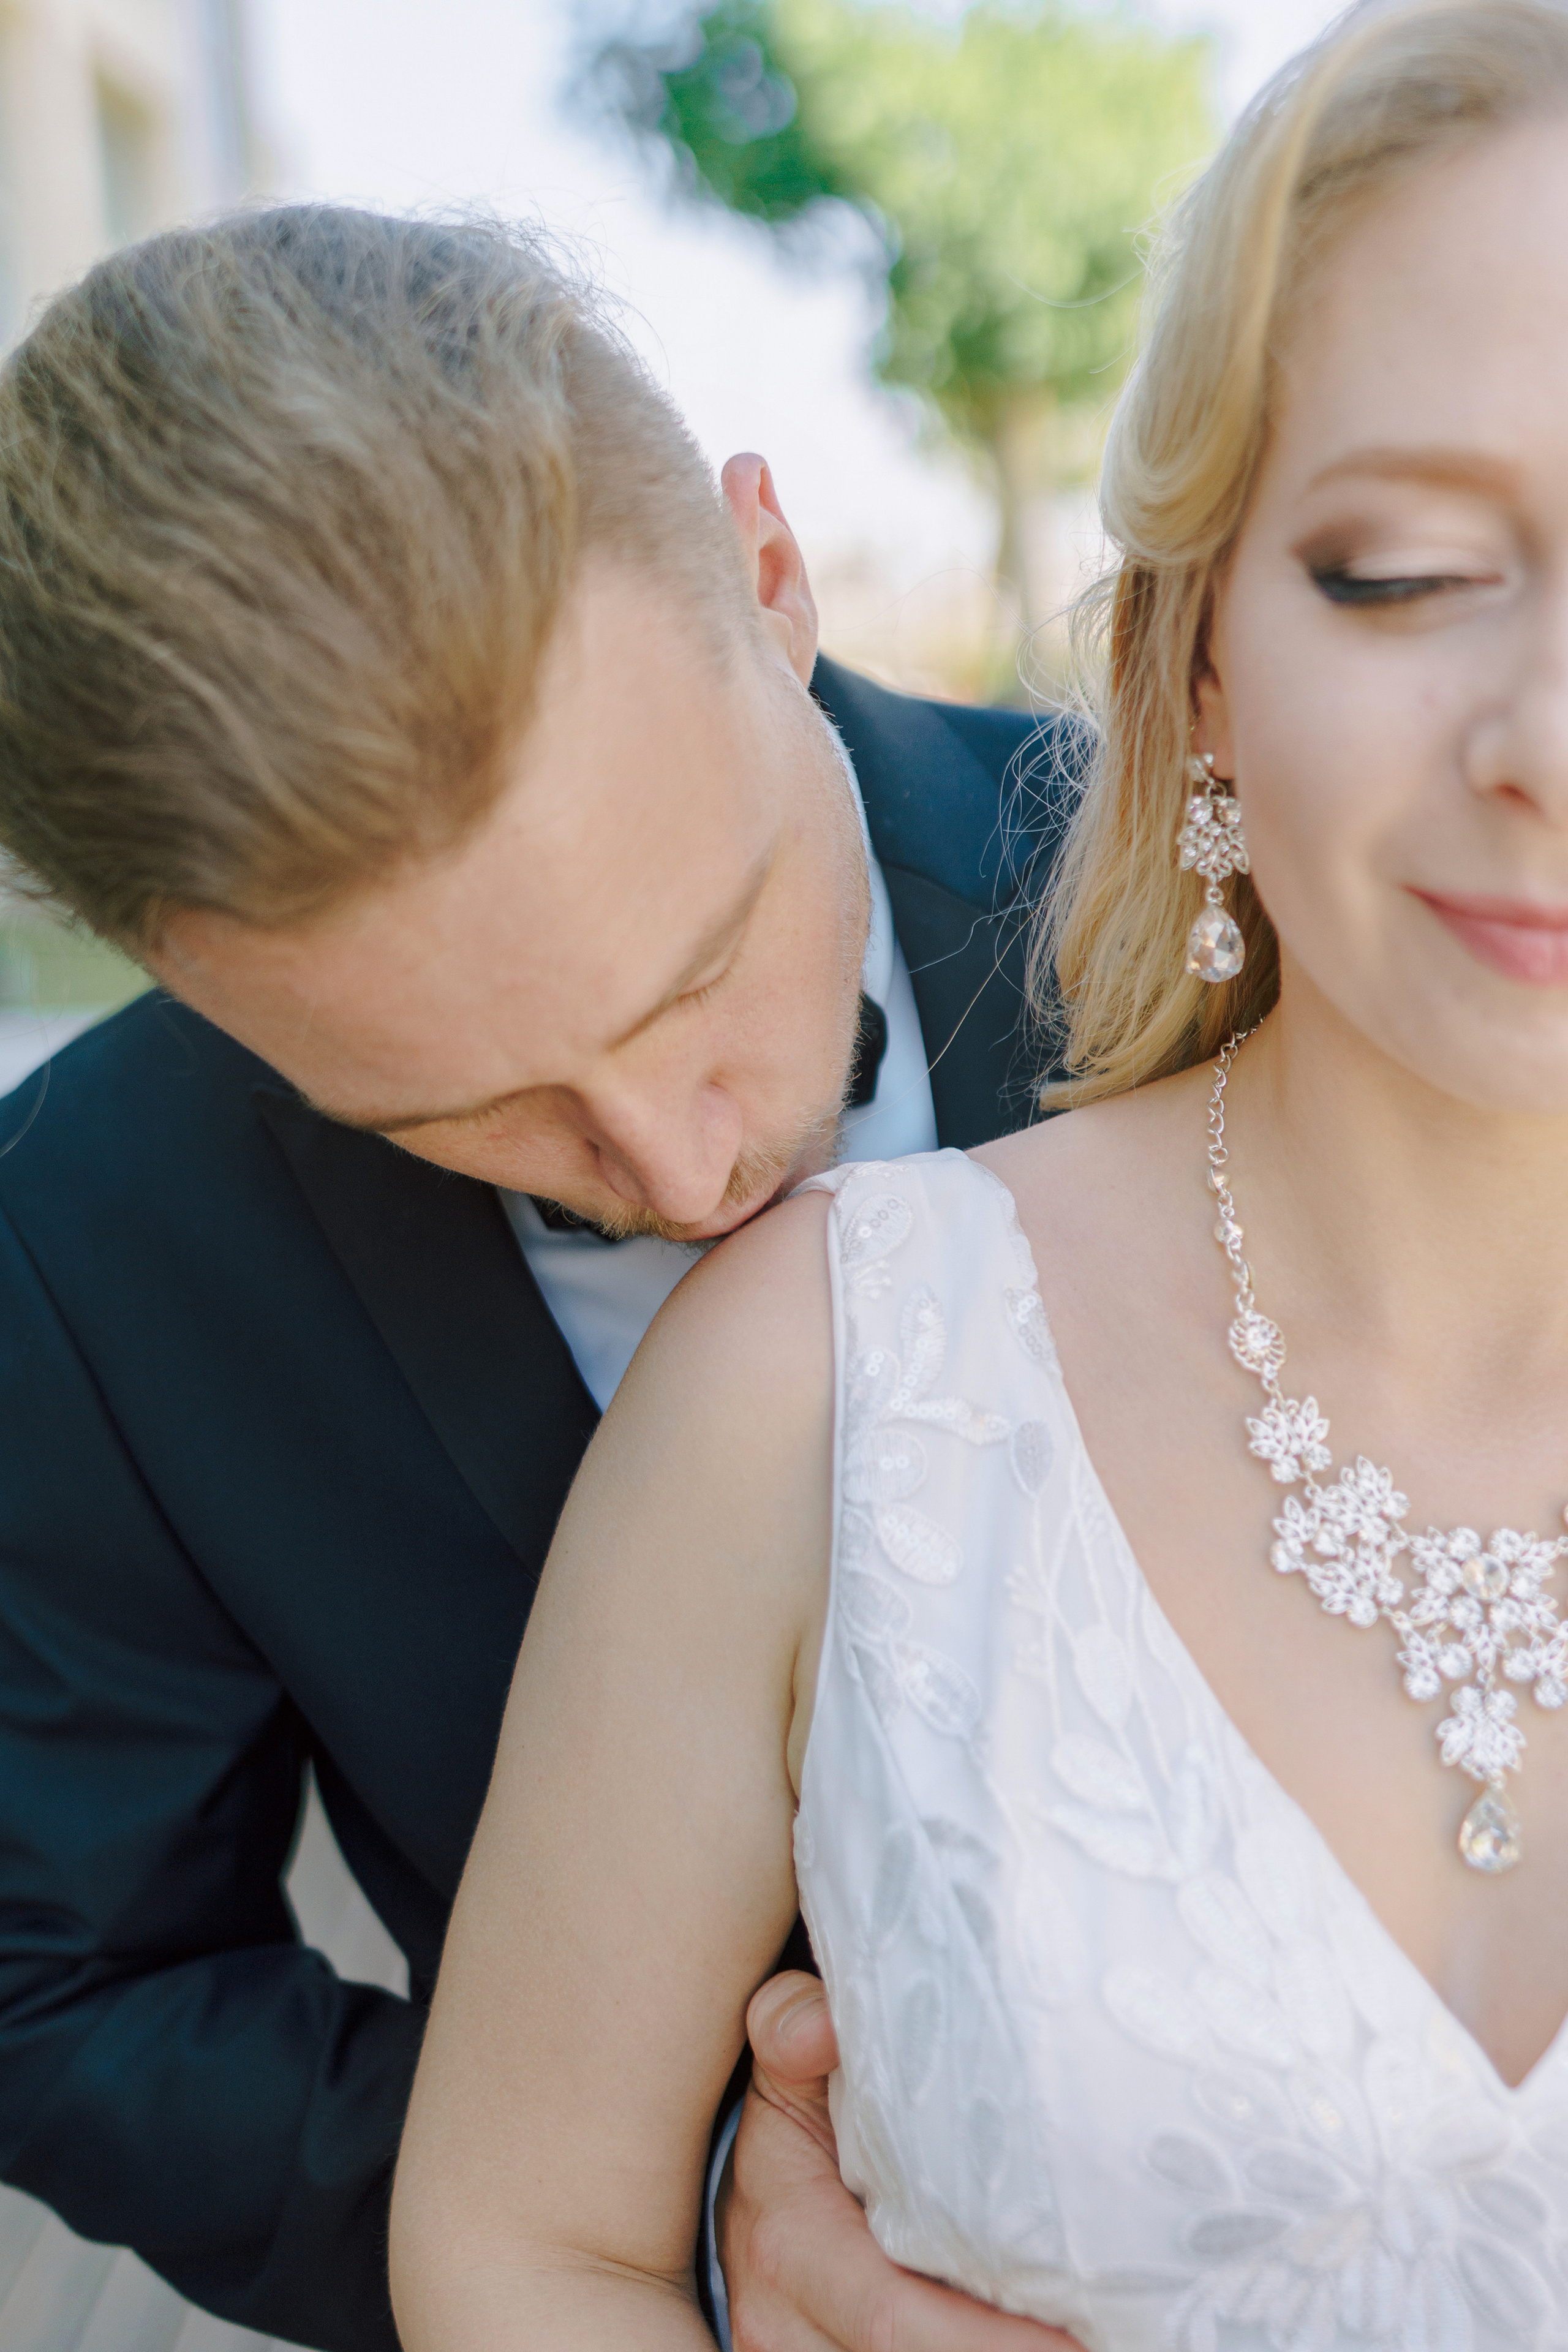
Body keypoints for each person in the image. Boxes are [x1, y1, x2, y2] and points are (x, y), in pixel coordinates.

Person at [388, 2, 1568, 2346]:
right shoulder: (821, 1388)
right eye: (1409, 569)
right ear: (1198, 658)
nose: (1546, 739)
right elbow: (523, 2248)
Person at [0, 210, 1080, 2351]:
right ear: (185, 975)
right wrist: (660, 2221)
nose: (686, 1171)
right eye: (468, 1108)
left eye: (705, 963)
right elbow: (67, 1987)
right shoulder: (90, 1238)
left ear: (770, 575)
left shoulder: (1245, 905)